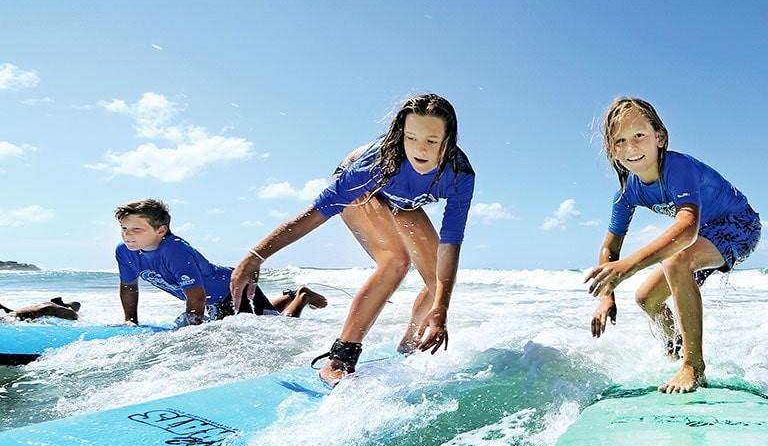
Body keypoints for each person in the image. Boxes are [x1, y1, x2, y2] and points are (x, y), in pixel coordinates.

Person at [230, 93, 475, 386]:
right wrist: (256, 256)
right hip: (363, 182)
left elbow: (451, 241)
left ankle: (409, 343)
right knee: (395, 261)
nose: (419, 149)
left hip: (403, 200)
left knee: (439, 284)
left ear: (448, 141)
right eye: (411, 138)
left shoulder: (459, 174)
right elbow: (316, 213)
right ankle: (340, 358)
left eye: (431, 141)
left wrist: (441, 311)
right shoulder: (377, 164)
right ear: (401, 135)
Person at [585, 96, 761, 393]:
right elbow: (610, 248)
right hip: (705, 232)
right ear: (612, 151)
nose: (631, 148)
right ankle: (678, 349)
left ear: (660, 138)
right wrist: (606, 296)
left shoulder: (678, 168)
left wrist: (629, 266)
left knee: (676, 261)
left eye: (639, 135)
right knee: (646, 298)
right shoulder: (627, 192)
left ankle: (693, 366)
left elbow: (687, 228)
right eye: (620, 141)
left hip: (739, 225)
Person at [116, 199, 326, 327]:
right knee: (255, 317)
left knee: (269, 326)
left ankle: (302, 297)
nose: (128, 235)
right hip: (212, 298)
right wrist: (131, 321)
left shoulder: (174, 250)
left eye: (137, 230)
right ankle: (290, 296)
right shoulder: (124, 252)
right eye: (124, 228)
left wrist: (188, 334)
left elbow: (196, 297)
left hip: (233, 288)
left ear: (161, 230)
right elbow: (128, 286)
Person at [0, 297, 81, 322]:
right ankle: (61, 303)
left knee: (74, 310)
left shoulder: (49, 308)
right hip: (45, 308)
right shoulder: (12, 315)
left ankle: (62, 304)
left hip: (46, 308)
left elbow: (74, 315)